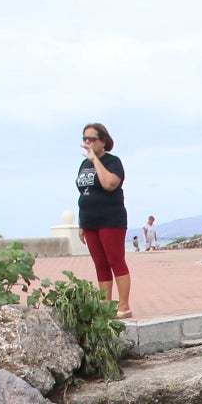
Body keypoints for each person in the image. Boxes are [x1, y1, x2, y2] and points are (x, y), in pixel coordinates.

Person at [76, 123, 132, 317]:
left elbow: (109, 184)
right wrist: (81, 222)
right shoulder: (84, 165)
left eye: (91, 139)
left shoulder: (112, 161)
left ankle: (123, 306)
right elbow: (84, 193)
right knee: (100, 263)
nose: (87, 142)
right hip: (90, 220)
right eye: (85, 139)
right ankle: (105, 305)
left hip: (111, 219)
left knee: (115, 260)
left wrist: (96, 160)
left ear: (103, 141)